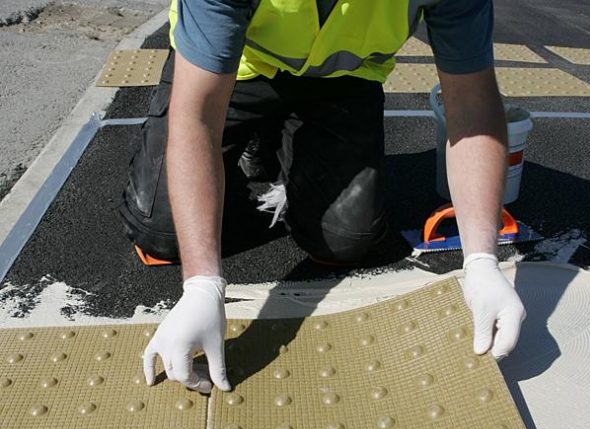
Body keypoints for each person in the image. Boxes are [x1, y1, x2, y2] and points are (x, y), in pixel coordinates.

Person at [125, 0, 526, 393]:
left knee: (345, 240)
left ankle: (283, 142)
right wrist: (201, 283)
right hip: (235, 70)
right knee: (163, 231)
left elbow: (472, 104)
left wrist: (482, 261)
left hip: (340, 85)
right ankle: (259, 138)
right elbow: (197, 117)